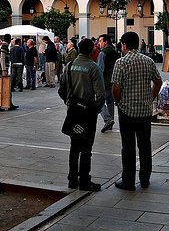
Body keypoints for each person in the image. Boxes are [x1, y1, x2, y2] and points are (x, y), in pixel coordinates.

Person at [112, 31, 162, 190]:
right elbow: (158, 82)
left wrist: (118, 100)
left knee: (128, 147)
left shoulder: (121, 62)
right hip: (145, 111)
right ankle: (145, 179)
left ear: (124, 45)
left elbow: (116, 87)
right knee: (145, 146)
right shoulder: (148, 61)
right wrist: (150, 98)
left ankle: (128, 181)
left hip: (127, 110)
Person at [58, 38, 105, 191]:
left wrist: (69, 103)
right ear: (92, 50)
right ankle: (84, 180)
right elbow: (101, 94)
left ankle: (72, 179)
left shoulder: (70, 66)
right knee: (86, 148)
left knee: (74, 146)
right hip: (88, 114)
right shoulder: (93, 67)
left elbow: (61, 89)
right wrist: (96, 110)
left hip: (73, 112)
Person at [97, 34, 118, 133]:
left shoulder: (103, 53)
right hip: (113, 81)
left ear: (105, 42)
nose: (98, 43)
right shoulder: (114, 51)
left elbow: (100, 69)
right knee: (110, 102)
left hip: (104, 81)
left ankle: (107, 119)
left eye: (100, 41)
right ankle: (110, 122)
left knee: (99, 101)